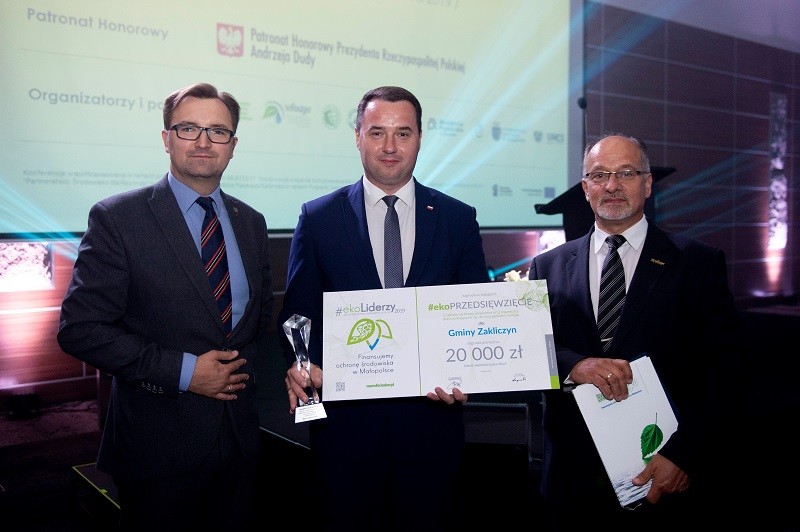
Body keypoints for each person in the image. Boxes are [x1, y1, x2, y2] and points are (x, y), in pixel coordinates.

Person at [57, 82, 274, 531]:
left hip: (239, 442)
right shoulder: (118, 218)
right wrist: (185, 372)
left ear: (233, 146)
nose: (203, 141)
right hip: (158, 447)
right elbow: (81, 328)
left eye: (218, 131)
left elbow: (256, 323)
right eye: (188, 128)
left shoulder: (251, 222)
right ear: (166, 138)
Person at [277, 85, 488, 531]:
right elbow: (297, 314)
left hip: (432, 430)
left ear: (419, 138)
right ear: (357, 137)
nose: (390, 146)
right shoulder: (318, 217)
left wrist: (470, 375)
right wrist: (301, 362)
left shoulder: (457, 218)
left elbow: (475, 314)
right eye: (377, 133)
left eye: (403, 133)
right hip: (345, 435)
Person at [527, 133, 741, 529]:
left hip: (662, 472)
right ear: (586, 187)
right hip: (572, 480)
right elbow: (531, 355)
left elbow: (724, 374)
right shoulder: (547, 267)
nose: (611, 185)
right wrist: (574, 366)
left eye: (625, 173)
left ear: (647, 183)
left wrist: (682, 455)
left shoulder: (697, 263)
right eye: (599, 175)